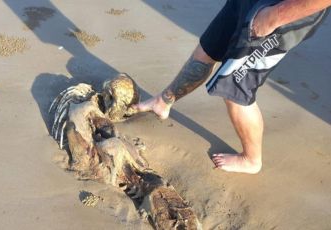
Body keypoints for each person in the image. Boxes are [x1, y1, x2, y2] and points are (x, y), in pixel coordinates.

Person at [133, 0, 330, 174]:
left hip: (284, 8)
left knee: (234, 84)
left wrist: (274, 16)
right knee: (208, 49)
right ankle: (163, 101)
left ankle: (251, 160)